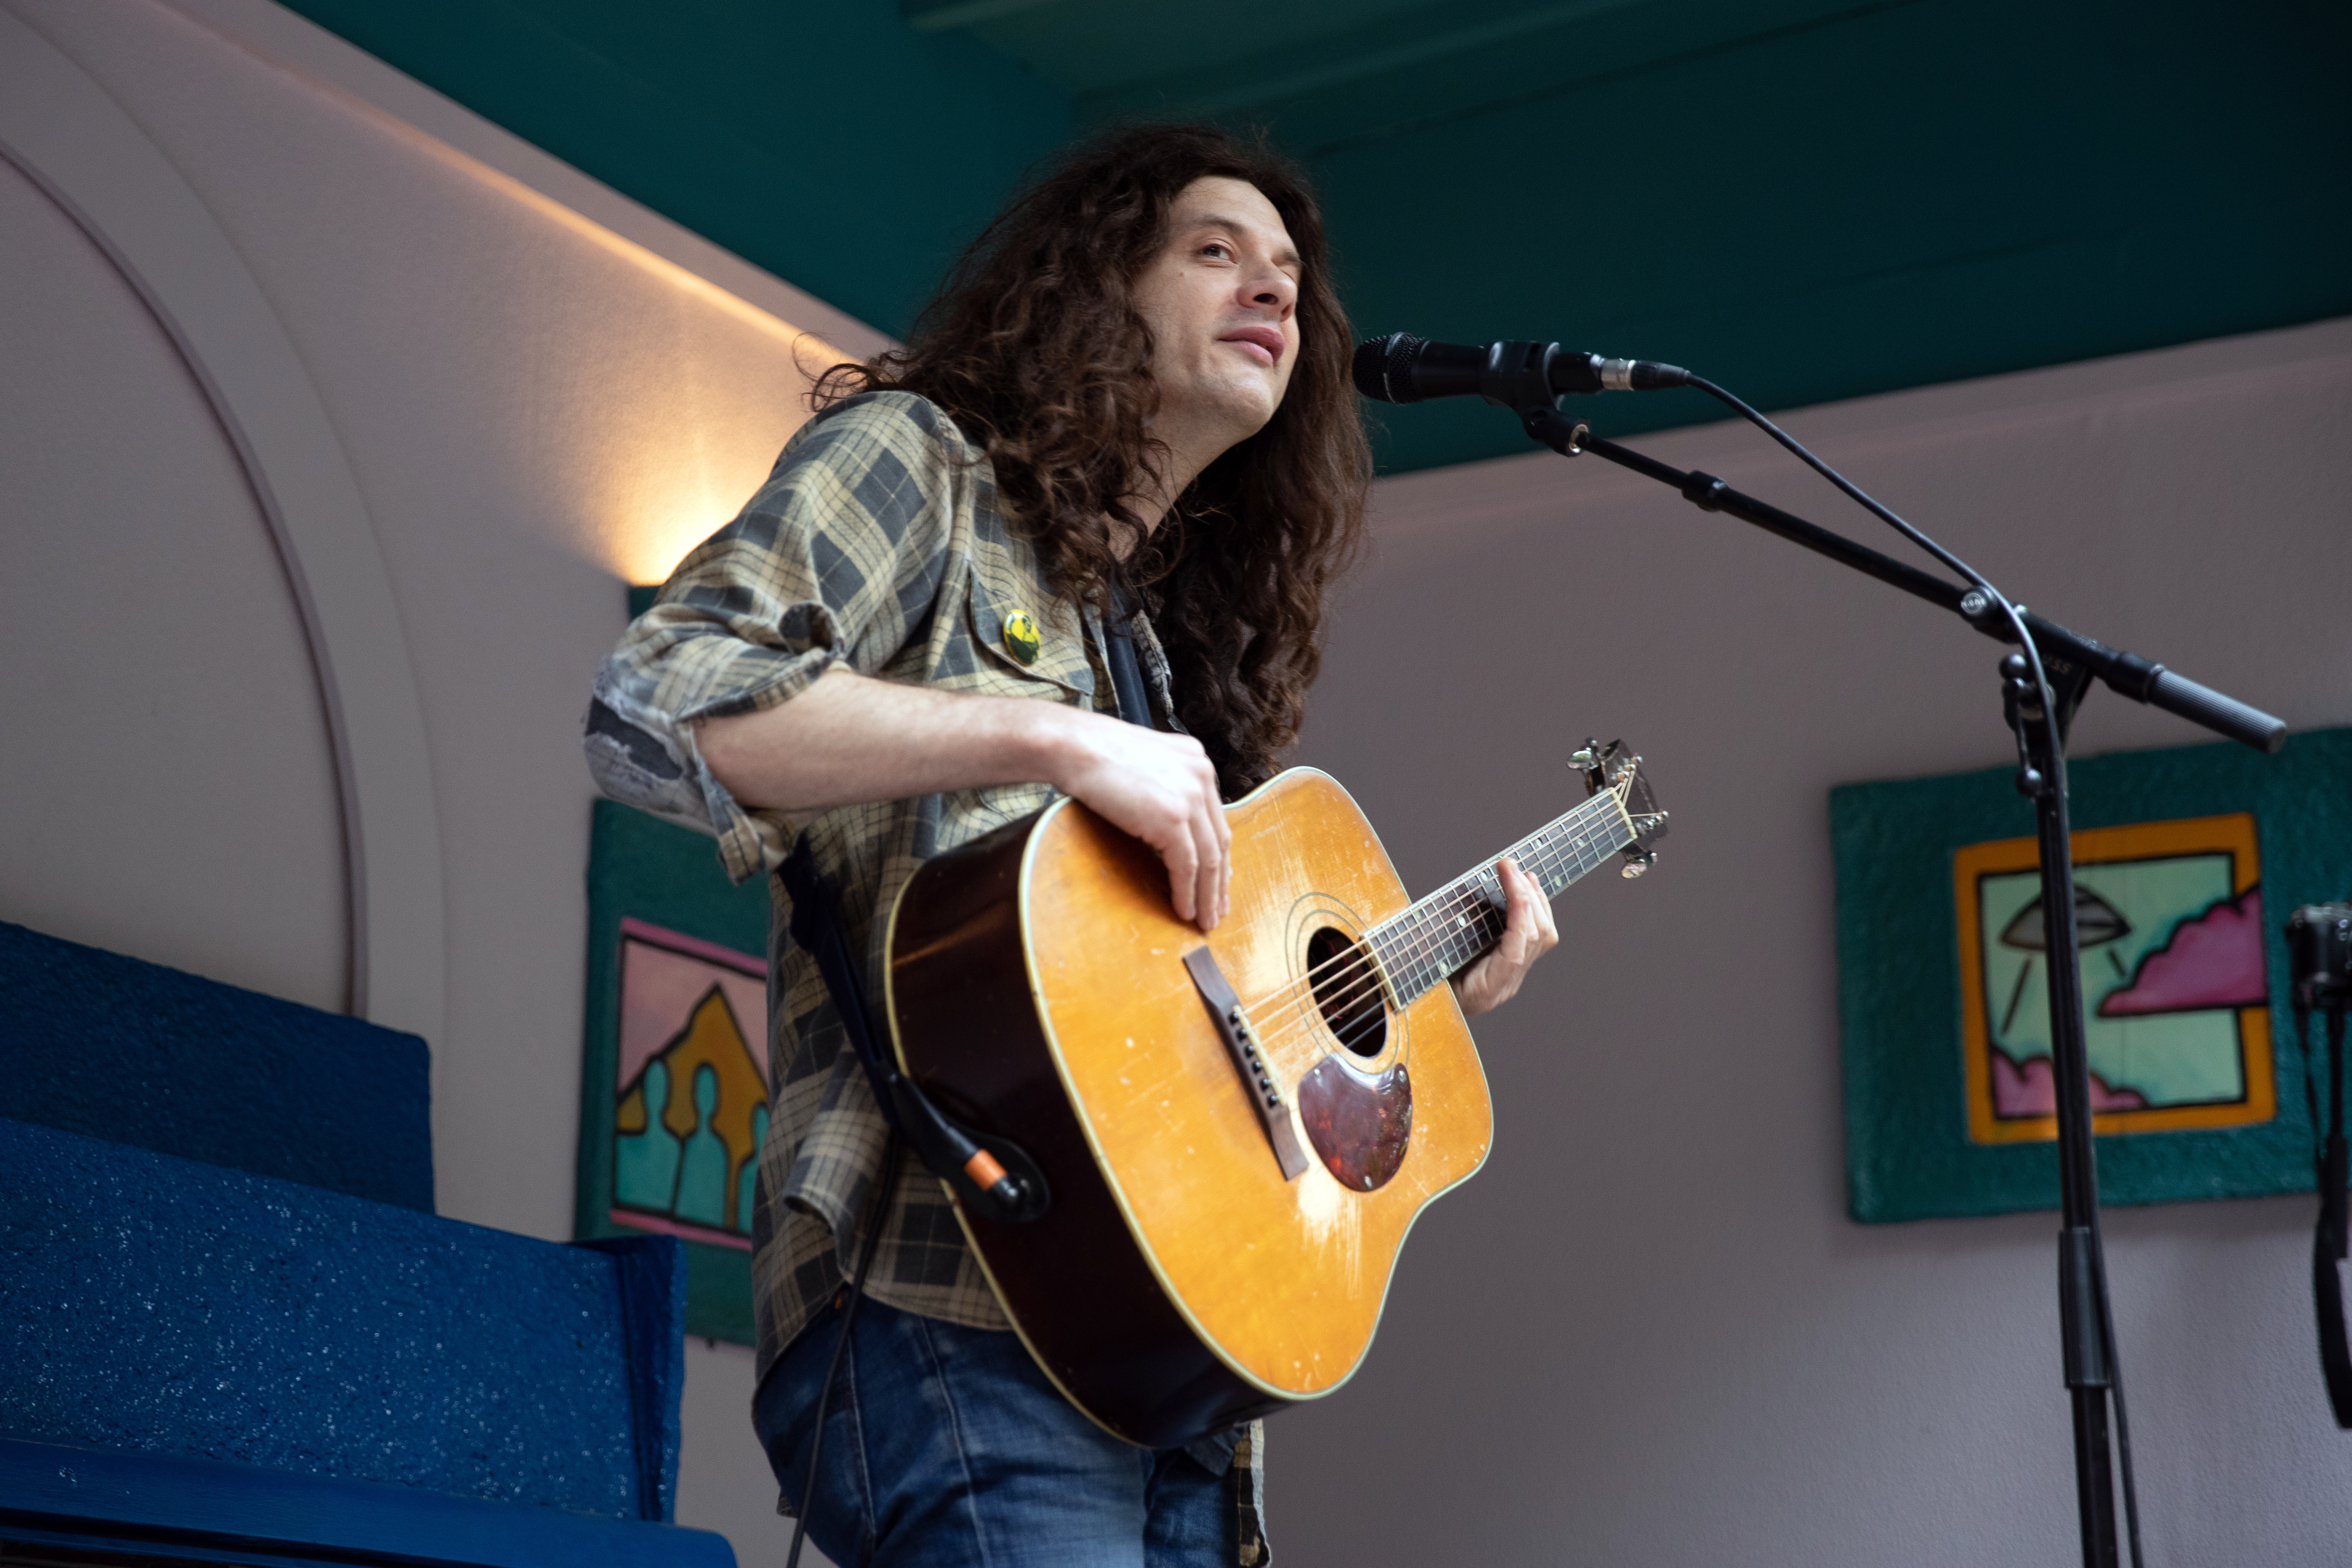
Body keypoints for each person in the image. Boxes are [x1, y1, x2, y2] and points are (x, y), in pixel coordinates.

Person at [585, 124, 1559, 1568]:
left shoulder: (1163, 651)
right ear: (1094, 292)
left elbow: (1178, 1033)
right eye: (1215, 252)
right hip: (944, 1303)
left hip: (1173, 1372)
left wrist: (1406, 984)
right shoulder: (920, 462)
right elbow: (666, 699)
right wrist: (1049, 740)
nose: (1274, 293)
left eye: (1291, 274)